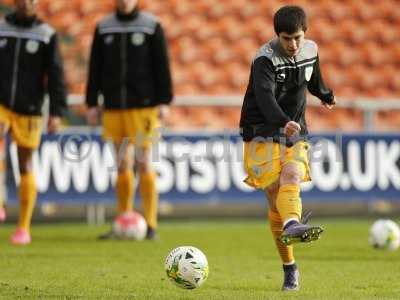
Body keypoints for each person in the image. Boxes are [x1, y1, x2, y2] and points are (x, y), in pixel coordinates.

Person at [240, 6, 336, 291]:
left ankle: (293, 224)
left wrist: (325, 94)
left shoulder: (310, 50)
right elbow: (265, 98)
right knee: (273, 196)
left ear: (305, 33)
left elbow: (313, 80)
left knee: (292, 176)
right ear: (277, 36)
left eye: (297, 37)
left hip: (294, 129)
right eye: (286, 39)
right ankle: (289, 266)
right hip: (261, 130)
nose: (293, 44)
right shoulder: (264, 60)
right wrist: (283, 122)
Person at [86, 0, 173, 240]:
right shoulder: (104, 26)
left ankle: (151, 224)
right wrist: (92, 102)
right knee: (122, 164)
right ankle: (124, 221)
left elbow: (161, 64)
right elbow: (95, 66)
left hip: (143, 108)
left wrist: (164, 101)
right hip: (114, 108)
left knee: (143, 162)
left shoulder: (150, 25)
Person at [0, 0, 67, 244]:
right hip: (2, 104)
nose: (27, 3)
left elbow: (56, 74)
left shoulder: (46, 34)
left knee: (25, 164)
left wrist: (57, 112)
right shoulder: (2, 28)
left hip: (30, 109)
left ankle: (23, 227)